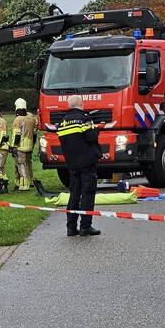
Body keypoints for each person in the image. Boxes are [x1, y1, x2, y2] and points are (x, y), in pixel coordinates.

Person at [57, 95, 102, 237]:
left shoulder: (62, 122)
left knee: (74, 195)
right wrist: (96, 128)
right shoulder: (84, 119)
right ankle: (85, 227)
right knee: (88, 194)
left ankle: (71, 227)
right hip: (87, 163)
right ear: (81, 104)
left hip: (72, 163)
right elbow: (91, 137)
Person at [10, 97, 38, 191]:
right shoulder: (31, 118)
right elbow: (34, 134)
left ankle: (24, 185)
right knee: (28, 163)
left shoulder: (18, 119)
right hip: (29, 145)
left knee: (21, 164)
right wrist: (33, 145)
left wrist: (13, 146)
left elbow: (16, 134)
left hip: (21, 146)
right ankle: (30, 181)